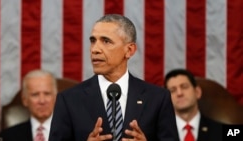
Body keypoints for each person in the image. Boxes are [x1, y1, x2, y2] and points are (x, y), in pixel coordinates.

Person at [49, 14, 179, 141]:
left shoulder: (158, 98)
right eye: (93, 41)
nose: (95, 49)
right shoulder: (68, 100)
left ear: (129, 50)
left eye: (106, 41)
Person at [164, 69, 224, 141]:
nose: (179, 93)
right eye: (172, 90)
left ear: (197, 92)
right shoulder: (156, 134)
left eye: (184, 87)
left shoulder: (220, 131)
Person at [0, 69, 58, 141]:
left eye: (47, 94)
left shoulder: (72, 133)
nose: (42, 101)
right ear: (25, 100)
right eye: (35, 95)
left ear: (55, 98)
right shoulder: (7, 137)